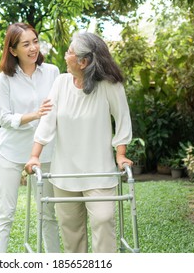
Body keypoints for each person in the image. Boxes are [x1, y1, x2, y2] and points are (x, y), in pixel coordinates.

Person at [25, 32, 133, 253]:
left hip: (99, 172)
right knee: (71, 231)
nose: (65, 56)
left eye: (70, 52)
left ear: (83, 62)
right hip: (65, 173)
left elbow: (122, 119)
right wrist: (34, 155)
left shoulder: (110, 86)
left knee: (103, 220)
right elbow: (48, 121)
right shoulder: (61, 83)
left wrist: (120, 154)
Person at [0, 22, 60, 253]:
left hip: (45, 151)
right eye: (26, 44)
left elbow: (58, 110)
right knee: (5, 213)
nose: (33, 48)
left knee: (48, 212)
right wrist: (34, 115)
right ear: (13, 50)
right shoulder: (5, 78)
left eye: (36, 41)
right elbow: (4, 118)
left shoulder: (52, 72)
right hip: (10, 152)